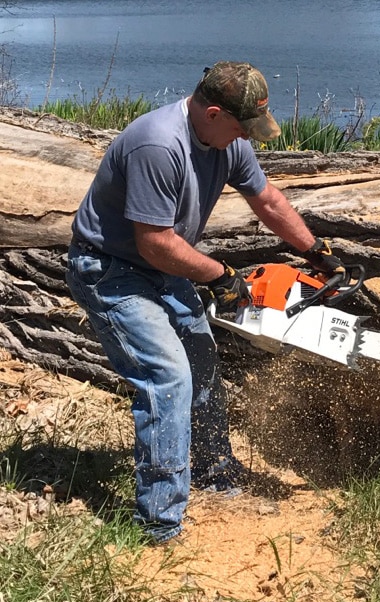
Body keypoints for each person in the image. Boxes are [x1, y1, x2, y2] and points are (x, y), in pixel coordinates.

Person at [66, 61, 344, 544]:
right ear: (212, 112)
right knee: (166, 376)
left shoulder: (226, 140)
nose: (248, 139)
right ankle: (159, 525)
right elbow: (154, 242)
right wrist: (221, 275)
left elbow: (268, 200)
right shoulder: (159, 145)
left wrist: (314, 251)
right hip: (109, 270)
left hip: (160, 267)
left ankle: (215, 469)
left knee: (201, 356)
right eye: (241, 128)